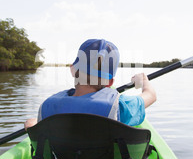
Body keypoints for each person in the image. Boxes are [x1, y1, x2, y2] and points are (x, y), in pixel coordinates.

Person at [24, 39, 156, 129]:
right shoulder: (120, 106)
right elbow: (151, 95)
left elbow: (33, 128)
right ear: (110, 82)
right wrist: (143, 80)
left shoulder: (47, 107)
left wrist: (32, 124)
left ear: (72, 70)